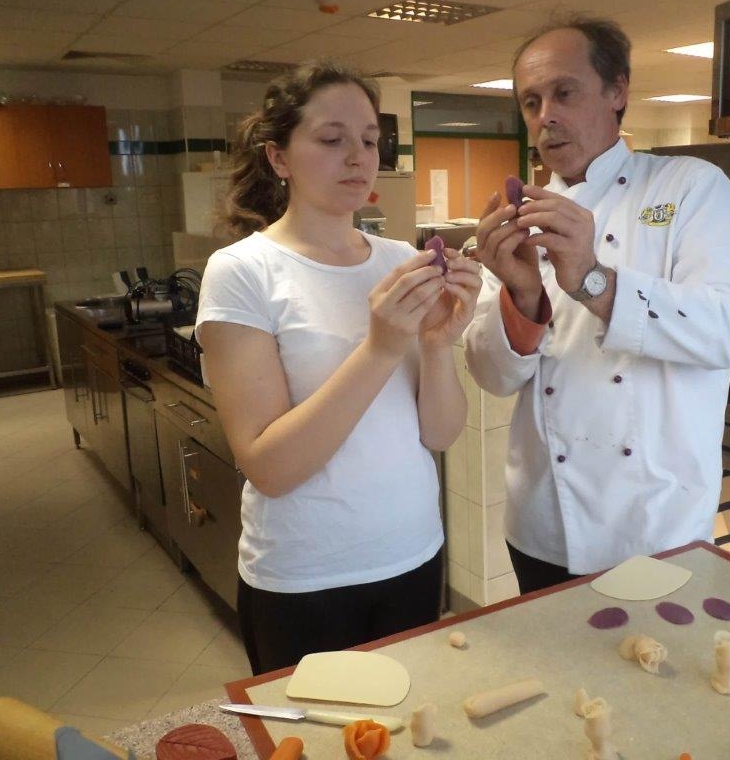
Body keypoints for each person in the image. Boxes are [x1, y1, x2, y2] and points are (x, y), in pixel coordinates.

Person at [195, 61, 482, 675]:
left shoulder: (399, 260)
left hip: (413, 557)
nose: (358, 157)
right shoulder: (242, 272)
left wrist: (439, 345)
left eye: (370, 140)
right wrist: (379, 348)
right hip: (305, 579)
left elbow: (440, 435)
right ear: (279, 158)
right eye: (332, 139)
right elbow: (269, 468)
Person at [463, 15, 730, 593]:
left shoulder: (689, 188)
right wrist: (522, 295)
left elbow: (727, 330)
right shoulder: (517, 219)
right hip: (544, 523)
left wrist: (594, 280)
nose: (545, 116)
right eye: (530, 102)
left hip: (655, 524)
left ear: (617, 91)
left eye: (564, 92)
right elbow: (493, 378)